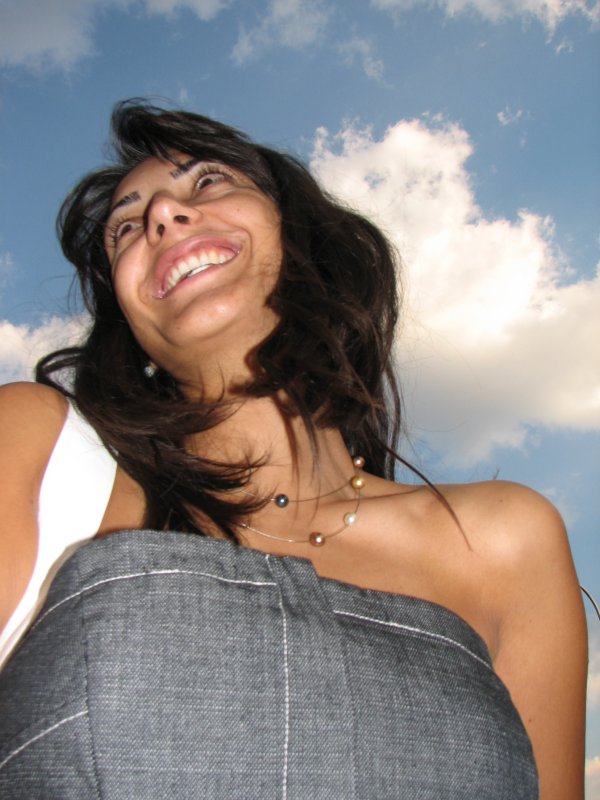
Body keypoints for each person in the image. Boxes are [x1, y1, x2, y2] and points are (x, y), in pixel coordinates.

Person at [0, 101, 587, 799]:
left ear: (302, 238)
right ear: (129, 324)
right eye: (126, 227)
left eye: (208, 182)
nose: (162, 215)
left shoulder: (503, 542)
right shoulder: (44, 461)